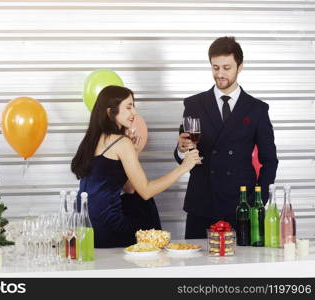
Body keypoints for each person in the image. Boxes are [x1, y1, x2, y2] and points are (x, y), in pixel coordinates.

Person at [175, 36, 278, 239]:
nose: (220, 74)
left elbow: (269, 160)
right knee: (197, 268)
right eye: (215, 67)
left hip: (241, 204)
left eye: (226, 67)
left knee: (244, 267)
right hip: (202, 203)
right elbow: (182, 155)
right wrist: (181, 148)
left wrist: (258, 200)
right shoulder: (194, 104)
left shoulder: (256, 109)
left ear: (240, 67)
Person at [71, 85, 200, 248]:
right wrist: (184, 167)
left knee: (136, 200)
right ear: (111, 112)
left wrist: (135, 152)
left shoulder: (92, 140)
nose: (135, 113)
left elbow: (130, 189)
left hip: (86, 225)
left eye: (134, 106)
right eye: (129, 107)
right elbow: (145, 191)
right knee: (145, 204)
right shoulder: (121, 142)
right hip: (108, 225)